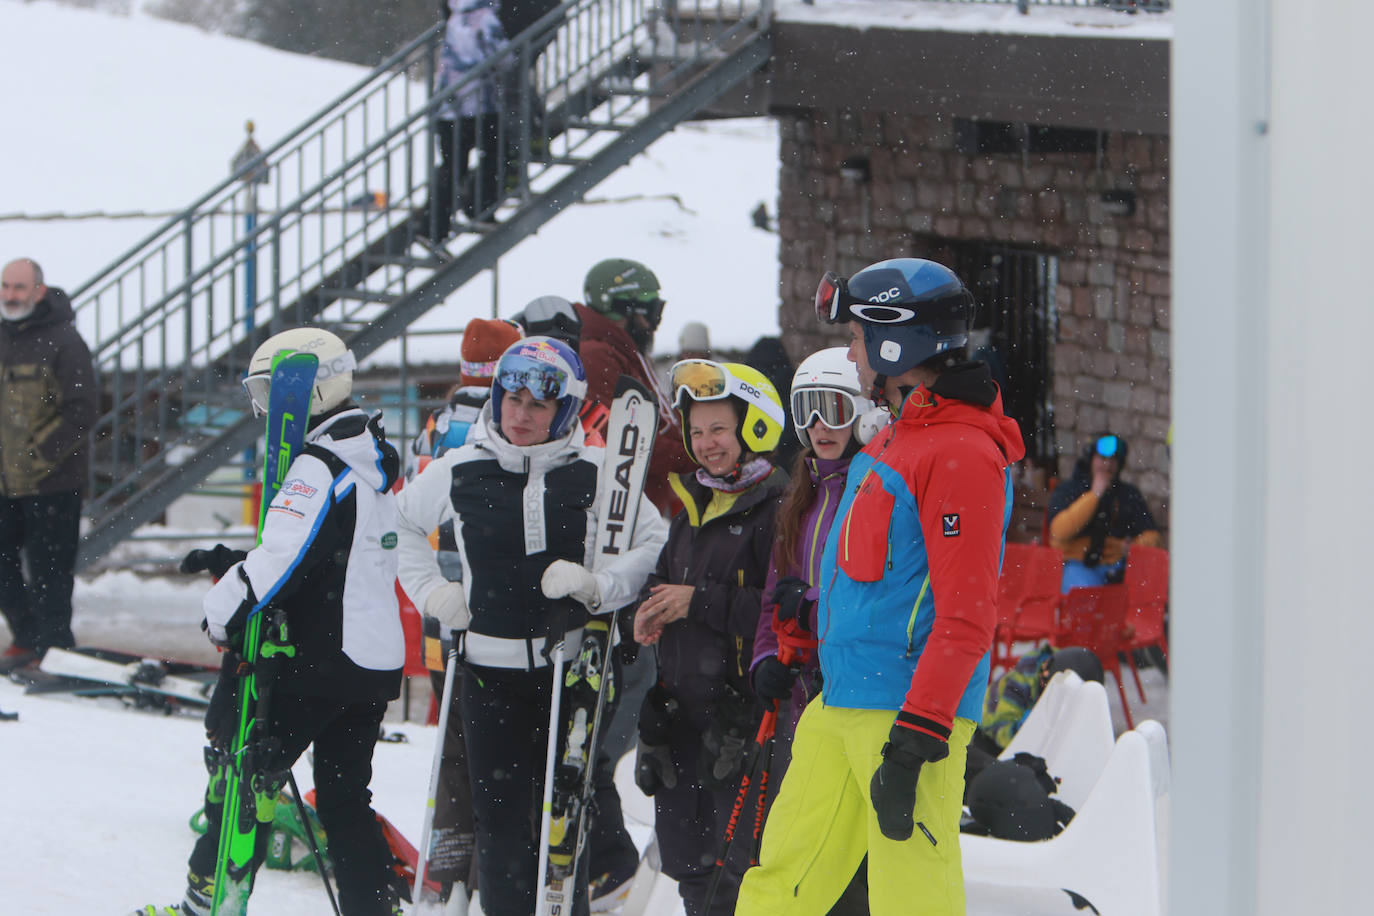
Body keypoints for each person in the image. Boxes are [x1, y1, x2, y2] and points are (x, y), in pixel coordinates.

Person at [735, 257, 1025, 916]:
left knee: (911, 895)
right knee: (784, 880)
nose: (851, 351)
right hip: (839, 701)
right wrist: (809, 619)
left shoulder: (963, 453)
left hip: (906, 716)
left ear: (899, 345)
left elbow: (967, 616)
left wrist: (919, 737)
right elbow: (885, 583)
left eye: (860, 338)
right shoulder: (895, 439)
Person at [396, 337, 668, 916]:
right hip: (487, 674)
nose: (520, 414)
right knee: (498, 820)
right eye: (511, 398)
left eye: (538, 405)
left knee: (567, 815)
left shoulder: (595, 470)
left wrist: (601, 588)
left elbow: (652, 538)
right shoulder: (461, 467)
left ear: (563, 411)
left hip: (570, 672)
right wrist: (436, 594)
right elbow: (398, 529)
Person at [140, 327, 407, 916]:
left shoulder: (316, 465)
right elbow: (327, 555)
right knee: (343, 801)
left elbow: (282, 557)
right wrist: (233, 564)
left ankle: (209, 904)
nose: (263, 407)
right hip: (368, 661)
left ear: (305, 390)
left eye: (268, 389)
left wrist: (224, 606)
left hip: (314, 662)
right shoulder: (369, 455)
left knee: (245, 782)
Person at [632, 359, 789, 916]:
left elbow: (783, 613)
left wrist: (694, 602)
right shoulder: (691, 507)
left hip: (743, 721)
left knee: (739, 872)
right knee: (692, 868)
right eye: (697, 431)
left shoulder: (778, 509)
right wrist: (650, 606)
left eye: (719, 429)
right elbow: (669, 576)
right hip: (685, 719)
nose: (706, 443)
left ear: (754, 427)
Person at [749, 347, 883, 916]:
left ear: (860, 412)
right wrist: (765, 659)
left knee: (853, 852)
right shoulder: (802, 495)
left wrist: (810, 607)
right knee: (799, 842)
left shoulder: (873, 486)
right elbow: (773, 591)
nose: (821, 426)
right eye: (808, 411)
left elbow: (874, 589)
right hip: (805, 699)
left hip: (858, 689)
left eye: (833, 409)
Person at [406, 315, 521, 914]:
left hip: (438, 609)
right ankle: (482, 871)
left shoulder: (434, 425)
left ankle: (445, 861)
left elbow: (411, 505)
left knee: (452, 734)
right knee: (492, 742)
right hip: (488, 602)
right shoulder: (502, 423)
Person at [0, 258, 96, 673]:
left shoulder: (64, 342)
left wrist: (36, 456)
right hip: (4, 482)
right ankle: (25, 636)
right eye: (5, 286)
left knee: (50, 572)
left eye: (19, 287)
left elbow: (81, 410)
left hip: (52, 481)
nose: (10, 295)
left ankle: (54, 648)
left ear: (39, 290)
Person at [576, 258, 695, 515]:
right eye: (651, 312)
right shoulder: (596, 355)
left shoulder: (622, 349)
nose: (653, 324)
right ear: (623, 308)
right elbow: (616, 436)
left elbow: (654, 418)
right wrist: (689, 456)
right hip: (624, 515)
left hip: (648, 501)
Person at [425, 0, 508, 237]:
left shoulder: (455, 16)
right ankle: (480, 208)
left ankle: (434, 225)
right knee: (495, 154)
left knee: (452, 167)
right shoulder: (485, 18)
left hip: (449, 106)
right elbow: (502, 56)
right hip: (479, 104)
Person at [1047, 432, 1162, 593]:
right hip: (1076, 564)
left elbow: (1152, 535)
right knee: (1089, 597)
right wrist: (1094, 495)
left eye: (1113, 460)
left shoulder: (1128, 494)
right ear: (1090, 459)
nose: (1108, 465)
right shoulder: (1069, 490)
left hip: (1116, 567)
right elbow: (1059, 531)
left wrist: (1133, 547)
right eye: (1102, 458)